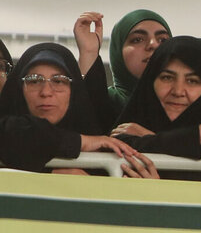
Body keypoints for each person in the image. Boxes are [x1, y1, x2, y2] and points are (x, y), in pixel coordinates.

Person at [112, 36, 201, 172]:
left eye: (192, 81)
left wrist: (151, 137)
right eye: (167, 78)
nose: (178, 91)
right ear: (150, 81)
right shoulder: (128, 134)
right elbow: (118, 145)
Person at [0, 42, 134, 170]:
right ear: (19, 89)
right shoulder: (6, 133)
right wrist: (82, 142)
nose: (46, 92)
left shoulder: (113, 156)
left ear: (74, 91)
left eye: (58, 81)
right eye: (34, 81)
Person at [107, 10, 171, 114]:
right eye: (137, 39)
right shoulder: (98, 103)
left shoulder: (186, 105)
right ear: (117, 52)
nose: (153, 45)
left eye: (163, 40)